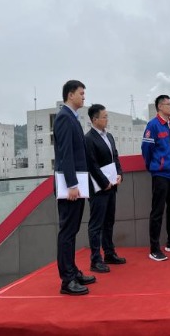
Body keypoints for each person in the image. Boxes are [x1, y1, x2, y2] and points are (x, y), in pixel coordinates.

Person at [54, 80, 96, 295]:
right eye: (81, 93)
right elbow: (65, 153)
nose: (83, 97)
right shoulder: (64, 117)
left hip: (77, 184)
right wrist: (71, 184)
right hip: (71, 186)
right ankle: (67, 279)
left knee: (72, 230)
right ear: (70, 95)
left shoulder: (73, 117)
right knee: (67, 232)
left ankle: (72, 271)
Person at [141, 95, 170, 261]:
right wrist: (153, 166)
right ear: (160, 107)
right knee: (157, 211)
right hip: (161, 174)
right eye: (168, 104)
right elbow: (146, 149)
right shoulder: (152, 125)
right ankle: (154, 249)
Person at [85, 104, 126, 274]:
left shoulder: (109, 136)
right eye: (104, 117)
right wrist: (104, 183)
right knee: (96, 224)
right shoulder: (88, 139)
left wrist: (120, 174)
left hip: (112, 186)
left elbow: (115, 157)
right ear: (94, 119)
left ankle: (109, 253)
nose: (107, 119)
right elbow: (91, 164)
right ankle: (96, 259)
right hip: (98, 188)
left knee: (109, 221)